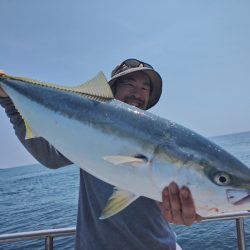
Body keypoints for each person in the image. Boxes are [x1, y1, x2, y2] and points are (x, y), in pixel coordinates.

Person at [0, 59, 202, 250]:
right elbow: (50, 157)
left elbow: (164, 195)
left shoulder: (163, 140)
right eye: (129, 84)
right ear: (112, 90)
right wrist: (9, 102)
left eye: (144, 88)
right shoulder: (90, 130)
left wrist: (181, 209)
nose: (137, 93)